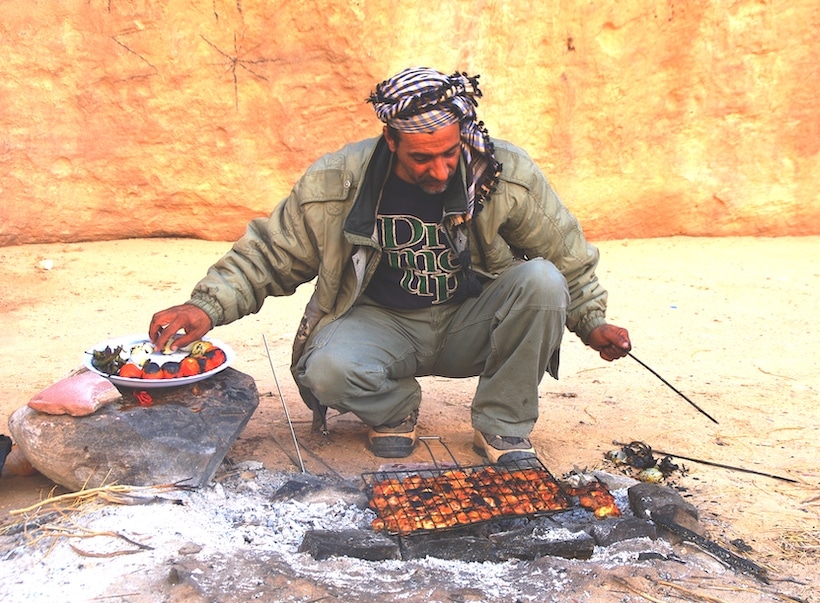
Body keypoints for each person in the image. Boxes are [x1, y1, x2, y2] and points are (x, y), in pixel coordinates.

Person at [149, 67, 631, 463]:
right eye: (423, 158)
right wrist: (206, 306)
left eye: (448, 154)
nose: (440, 171)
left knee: (542, 281)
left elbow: (564, 250)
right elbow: (274, 251)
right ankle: (395, 410)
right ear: (391, 139)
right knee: (326, 370)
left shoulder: (503, 173)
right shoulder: (338, 180)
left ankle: (503, 426)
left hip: (474, 319)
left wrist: (592, 322)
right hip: (382, 323)